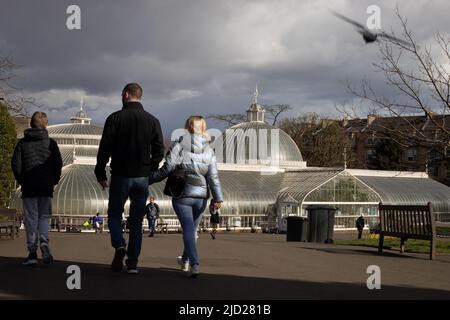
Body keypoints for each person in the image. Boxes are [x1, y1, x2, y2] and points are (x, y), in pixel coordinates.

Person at [95, 83, 165, 274]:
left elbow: (104, 149)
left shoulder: (114, 118)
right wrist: (150, 168)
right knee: (136, 221)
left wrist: (100, 173)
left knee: (115, 215)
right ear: (139, 96)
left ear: (126, 95)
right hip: (141, 178)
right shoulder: (152, 121)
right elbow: (159, 150)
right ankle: (133, 263)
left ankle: (119, 245)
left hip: (120, 175)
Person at [150, 115, 223, 278]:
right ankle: (185, 260)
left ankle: (195, 263)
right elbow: (213, 177)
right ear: (203, 129)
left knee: (189, 230)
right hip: (201, 198)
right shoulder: (209, 150)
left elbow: (167, 169)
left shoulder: (179, 146)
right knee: (192, 230)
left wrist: (148, 179)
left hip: (183, 195)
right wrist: (218, 198)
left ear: (187, 127)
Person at [11, 111, 63, 266]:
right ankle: (44, 242)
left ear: (31, 124)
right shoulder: (51, 143)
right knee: (44, 216)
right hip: (46, 186)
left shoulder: (22, 143)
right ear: (46, 125)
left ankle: (32, 252)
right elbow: (58, 164)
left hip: (29, 187)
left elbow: (16, 164)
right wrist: (54, 180)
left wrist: (22, 180)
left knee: (31, 218)